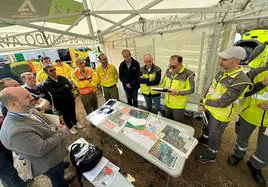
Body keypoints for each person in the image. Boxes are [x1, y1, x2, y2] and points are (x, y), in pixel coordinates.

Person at [0, 87, 68, 187]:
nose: (32, 97)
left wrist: (55, 126)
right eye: (27, 96)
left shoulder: (26, 109)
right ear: (13, 104)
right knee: (57, 179)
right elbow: (41, 149)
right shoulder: (15, 131)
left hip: (55, 154)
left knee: (60, 174)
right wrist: (61, 133)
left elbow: (43, 122)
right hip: (50, 162)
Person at [197, 46, 252, 163]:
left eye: (224, 59)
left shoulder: (241, 80)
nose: (220, 62)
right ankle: (204, 140)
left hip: (221, 116)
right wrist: (203, 103)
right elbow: (211, 88)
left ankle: (211, 154)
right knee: (206, 128)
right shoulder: (222, 72)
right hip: (209, 109)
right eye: (221, 58)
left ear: (236, 61)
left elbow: (223, 103)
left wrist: (204, 102)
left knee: (214, 135)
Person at [227, 66, 268, 186]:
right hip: (249, 114)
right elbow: (242, 92)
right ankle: (238, 154)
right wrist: (262, 83)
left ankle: (256, 166)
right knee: (242, 136)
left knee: (266, 146)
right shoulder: (257, 72)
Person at [0, 79, 27, 187]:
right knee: (9, 176)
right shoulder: (6, 106)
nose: (19, 87)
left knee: (10, 170)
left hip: (3, 146)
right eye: (14, 86)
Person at [42, 64, 83, 134]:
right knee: (66, 115)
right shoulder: (47, 83)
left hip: (70, 99)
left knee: (72, 112)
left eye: (54, 69)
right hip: (60, 103)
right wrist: (64, 87)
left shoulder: (61, 77)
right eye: (51, 70)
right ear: (46, 72)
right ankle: (70, 127)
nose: (54, 71)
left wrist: (61, 89)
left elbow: (70, 86)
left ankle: (75, 123)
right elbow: (54, 93)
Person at [159, 55, 195, 122]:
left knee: (178, 124)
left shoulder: (189, 74)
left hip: (178, 107)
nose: (171, 68)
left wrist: (178, 92)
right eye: (170, 65)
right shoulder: (168, 71)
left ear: (180, 64)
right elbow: (163, 82)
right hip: (167, 104)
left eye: (174, 66)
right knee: (167, 121)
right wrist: (159, 88)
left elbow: (191, 90)